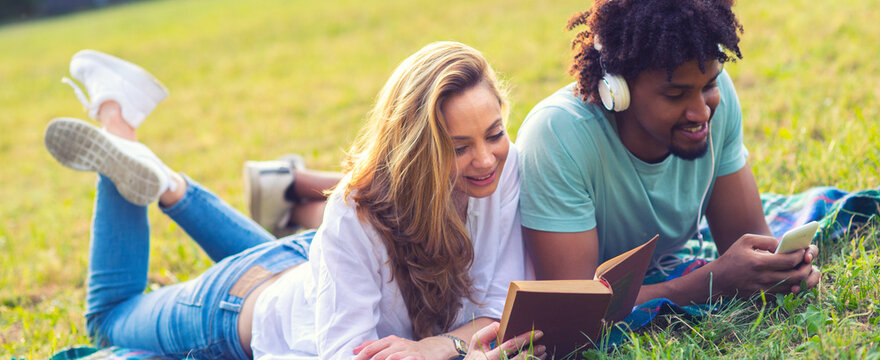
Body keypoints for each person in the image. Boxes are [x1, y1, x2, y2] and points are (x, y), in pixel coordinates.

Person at [47, 44, 544, 359]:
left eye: (495, 133)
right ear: (418, 152)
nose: (486, 159)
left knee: (308, 272)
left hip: (313, 268)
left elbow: (500, 307)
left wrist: (445, 345)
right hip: (242, 307)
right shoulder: (356, 214)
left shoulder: (503, 170)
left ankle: (165, 182)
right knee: (109, 318)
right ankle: (118, 124)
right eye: (458, 148)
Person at [515, 0, 821, 306]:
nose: (701, 112)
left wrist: (782, 268)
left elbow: (749, 240)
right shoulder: (558, 135)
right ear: (617, 90)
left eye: (709, 85)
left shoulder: (720, 99)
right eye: (676, 95)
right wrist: (714, 281)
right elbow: (574, 305)